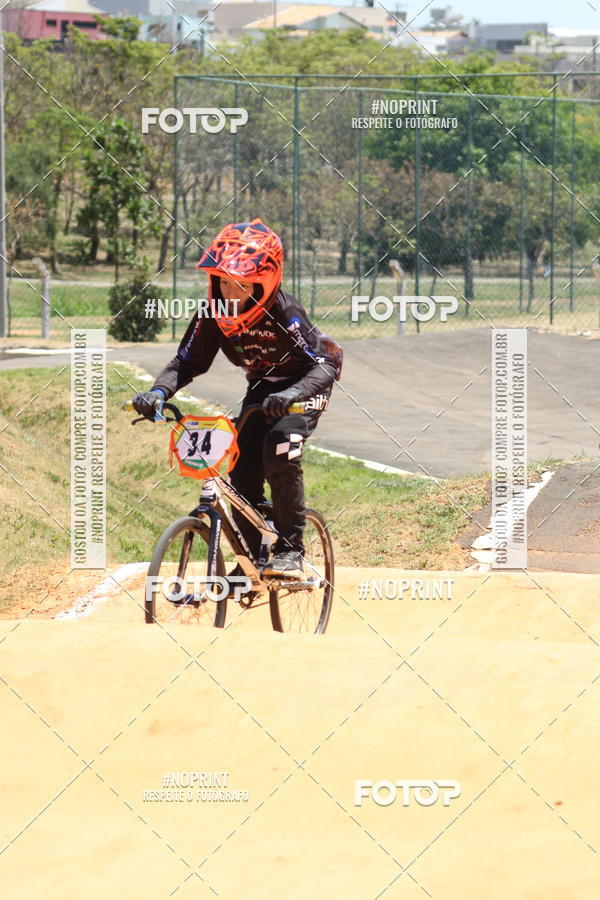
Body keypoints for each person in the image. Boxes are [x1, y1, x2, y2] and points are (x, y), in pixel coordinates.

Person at [132, 218, 342, 579]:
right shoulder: (214, 312)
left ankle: (291, 548)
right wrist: (157, 392)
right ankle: (251, 561)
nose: (230, 292)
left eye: (242, 285)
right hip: (263, 386)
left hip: (303, 385)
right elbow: (186, 361)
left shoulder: (284, 313)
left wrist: (293, 393)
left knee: (280, 449)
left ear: (265, 283)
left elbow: (327, 362)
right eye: (223, 282)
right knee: (240, 466)